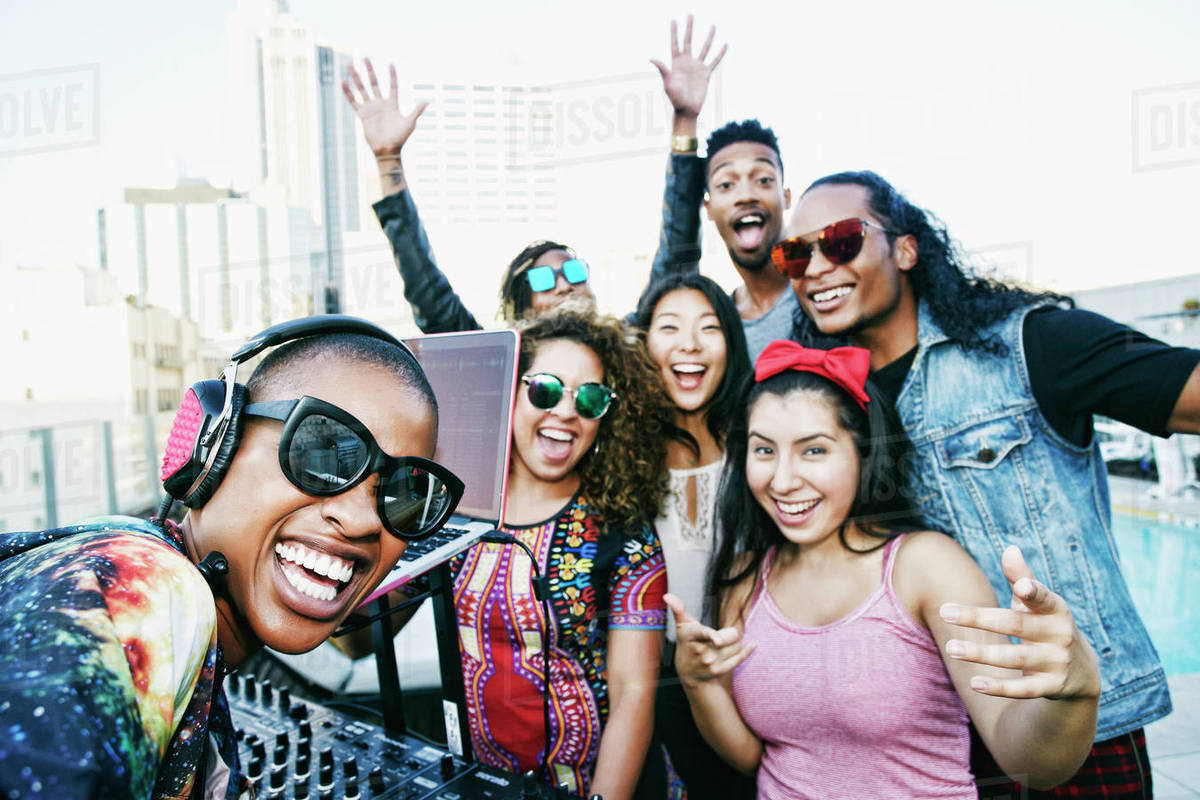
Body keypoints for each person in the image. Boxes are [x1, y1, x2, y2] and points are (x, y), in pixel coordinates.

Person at [778, 170, 1197, 796]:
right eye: (796, 253)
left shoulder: (1030, 347)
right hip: (927, 740)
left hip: (1073, 722)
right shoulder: (832, 408)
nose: (815, 267)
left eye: (839, 241)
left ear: (906, 249)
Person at [0, 318, 462, 799]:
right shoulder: (146, 591)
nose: (363, 520)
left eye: (409, 491)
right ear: (213, 447)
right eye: (322, 455)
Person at [668, 340, 1102, 799]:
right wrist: (699, 684)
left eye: (813, 451)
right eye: (764, 451)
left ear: (863, 452)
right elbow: (757, 757)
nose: (782, 480)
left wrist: (1075, 693)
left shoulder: (926, 566)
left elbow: (1028, 760)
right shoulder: (745, 578)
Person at [349, 307, 675, 799]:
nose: (566, 412)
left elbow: (633, 695)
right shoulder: (454, 515)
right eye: (545, 389)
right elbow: (362, 637)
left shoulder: (625, 534)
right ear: (510, 394)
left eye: (589, 399)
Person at [342, 59, 594, 332]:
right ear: (522, 305)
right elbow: (431, 298)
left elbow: (651, 294)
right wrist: (388, 160)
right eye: (544, 279)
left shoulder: (633, 352)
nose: (565, 286)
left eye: (575, 272)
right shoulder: (503, 365)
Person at [634, 273, 754, 799]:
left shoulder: (760, 439)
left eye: (709, 327)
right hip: (655, 679)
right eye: (669, 328)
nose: (690, 344)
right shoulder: (621, 451)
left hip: (752, 666)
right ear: (644, 345)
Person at [642, 16, 795, 360]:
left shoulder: (822, 293)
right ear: (707, 208)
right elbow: (673, 273)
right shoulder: (718, 327)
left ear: (786, 197)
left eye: (763, 180)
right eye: (727, 184)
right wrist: (685, 122)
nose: (745, 195)